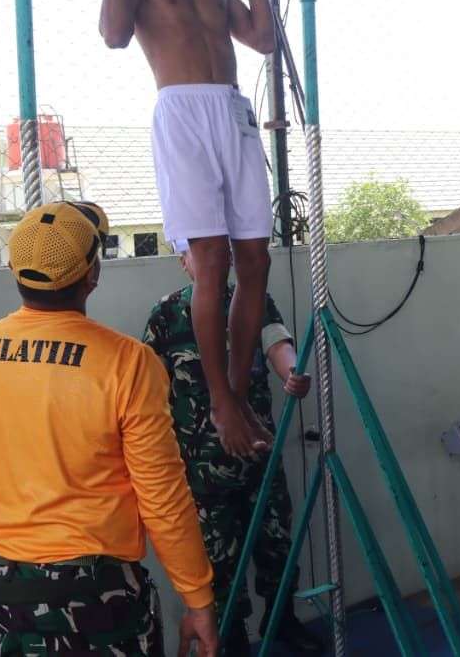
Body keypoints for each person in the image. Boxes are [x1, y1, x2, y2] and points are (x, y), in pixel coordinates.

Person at [0, 202, 218, 656]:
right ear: (92, 274)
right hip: (94, 597)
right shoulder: (127, 362)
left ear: (13, 271)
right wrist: (197, 598)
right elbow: (162, 494)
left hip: (5, 585)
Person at [100, 0, 278, 464]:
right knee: (211, 259)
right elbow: (114, 35)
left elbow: (264, 40)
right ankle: (220, 399)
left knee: (256, 258)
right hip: (182, 111)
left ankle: (240, 391)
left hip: (231, 110)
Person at [143, 248, 324, 656]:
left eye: (221, 254)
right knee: (218, 559)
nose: (211, 261)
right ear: (183, 262)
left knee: (277, 542)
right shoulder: (166, 314)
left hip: (258, 453)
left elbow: (276, 341)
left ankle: (282, 619)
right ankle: (231, 635)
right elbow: (149, 383)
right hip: (203, 467)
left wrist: (291, 373)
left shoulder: (253, 297)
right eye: (197, 254)